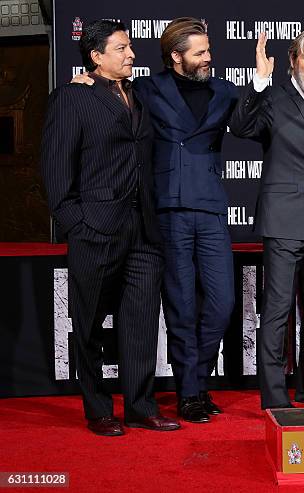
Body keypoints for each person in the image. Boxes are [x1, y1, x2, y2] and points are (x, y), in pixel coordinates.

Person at [72, 18, 238, 423]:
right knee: (180, 305)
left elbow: (251, 123)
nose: (208, 58)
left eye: (209, 50)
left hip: (211, 206)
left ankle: (197, 381)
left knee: (222, 304)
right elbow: (111, 93)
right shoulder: (146, 88)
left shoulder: (224, 90)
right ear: (176, 56)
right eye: (199, 52)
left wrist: (266, 82)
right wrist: (86, 80)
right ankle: (190, 394)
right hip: (167, 208)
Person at [41, 20, 180, 436]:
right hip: (95, 229)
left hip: (143, 230)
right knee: (87, 325)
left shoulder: (142, 95)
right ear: (96, 56)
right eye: (120, 48)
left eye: (130, 47)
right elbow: (54, 169)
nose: (131, 54)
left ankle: (140, 405)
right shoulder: (72, 97)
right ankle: (99, 408)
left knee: (140, 326)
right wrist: (76, 224)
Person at [230, 27, 304, 409]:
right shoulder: (275, 98)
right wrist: (259, 80)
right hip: (285, 220)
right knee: (278, 310)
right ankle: (275, 396)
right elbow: (241, 126)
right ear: (294, 61)